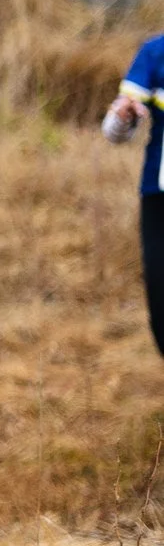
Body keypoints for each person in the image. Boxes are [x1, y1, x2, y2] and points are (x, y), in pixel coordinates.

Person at [102, 35, 164, 357]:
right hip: (159, 194)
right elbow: (114, 131)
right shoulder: (155, 53)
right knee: (160, 296)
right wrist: (122, 118)